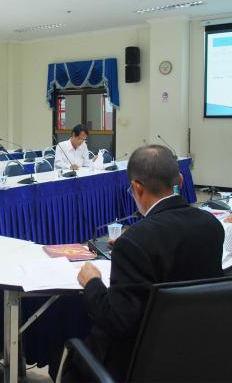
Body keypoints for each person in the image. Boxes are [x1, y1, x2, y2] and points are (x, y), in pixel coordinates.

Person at [54, 145, 225, 382]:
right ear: (181, 180)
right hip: (199, 355)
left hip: (136, 363)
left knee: (61, 356)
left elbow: (118, 321)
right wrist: (131, 246)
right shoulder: (211, 226)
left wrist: (92, 282)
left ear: (137, 187)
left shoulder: (135, 241)